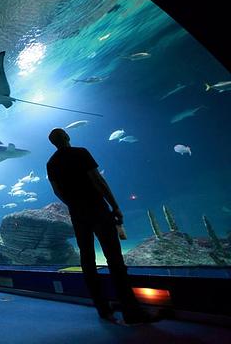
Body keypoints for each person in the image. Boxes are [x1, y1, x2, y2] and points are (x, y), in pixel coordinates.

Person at [46, 128, 162, 325]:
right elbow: (97, 179)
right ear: (67, 137)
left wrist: (73, 204)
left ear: (53, 143)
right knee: (115, 260)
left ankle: (102, 309)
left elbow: (57, 191)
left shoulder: (51, 163)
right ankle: (131, 311)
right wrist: (114, 205)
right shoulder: (81, 153)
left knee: (88, 261)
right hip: (97, 209)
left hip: (77, 214)